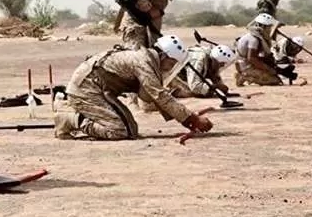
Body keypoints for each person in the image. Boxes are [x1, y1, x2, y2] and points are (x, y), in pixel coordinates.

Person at [53, 35, 213, 140]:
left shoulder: (147, 60)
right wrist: (191, 118)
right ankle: (70, 118)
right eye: (170, 63)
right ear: (163, 56)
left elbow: (150, 98)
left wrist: (186, 119)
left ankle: (74, 111)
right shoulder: (144, 63)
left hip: (99, 90)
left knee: (131, 131)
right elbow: (160, 96)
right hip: (87, 89)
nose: (168, 68)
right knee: (119, 131)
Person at [233, 13, 290, 86]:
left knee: (274, 75)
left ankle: (244, 75)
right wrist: (268, 69)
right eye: (269, 27)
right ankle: (244, 76)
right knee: (275, 81)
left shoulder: (256, 36)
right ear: (263, 26)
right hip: (246, 66)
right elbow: (251, 58)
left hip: (245, 64)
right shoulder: (254, 39)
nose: (269, 30)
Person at [167, 44, 234, 98]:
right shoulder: (199, 59)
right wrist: (214, 87)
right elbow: (195, 86)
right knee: (195, 92)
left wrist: (222, 89)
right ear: (216, 60)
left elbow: (214, 75)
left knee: (205, 90)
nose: (222, 66)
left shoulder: (211, 58)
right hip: (171, 75)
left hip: (184, 76)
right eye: (222, 63)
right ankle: (171, 91)